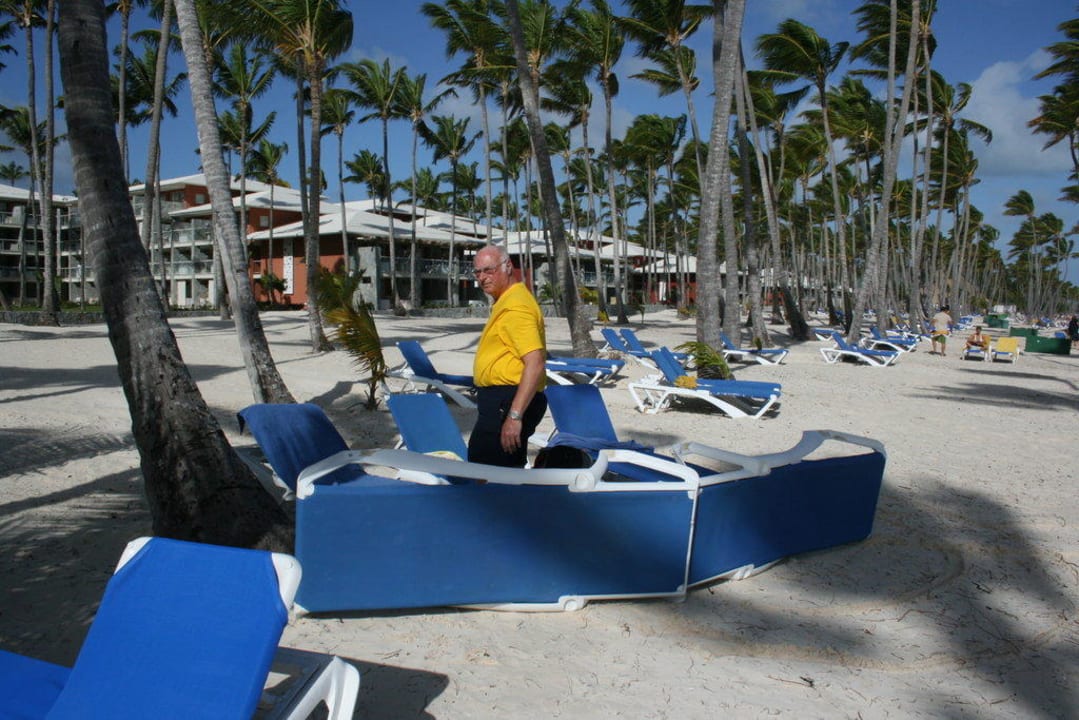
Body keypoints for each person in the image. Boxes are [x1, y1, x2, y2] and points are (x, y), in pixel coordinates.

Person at [468, 245, 548, 467]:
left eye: (488, 270)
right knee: (500, 468)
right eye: (478, 272)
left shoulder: (516, 306)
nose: (482, 278)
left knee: (486, 468)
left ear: (508, 267)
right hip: (503, 399)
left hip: (507, 400)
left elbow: (536, 362)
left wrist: (514, 416)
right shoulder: (510, 300)